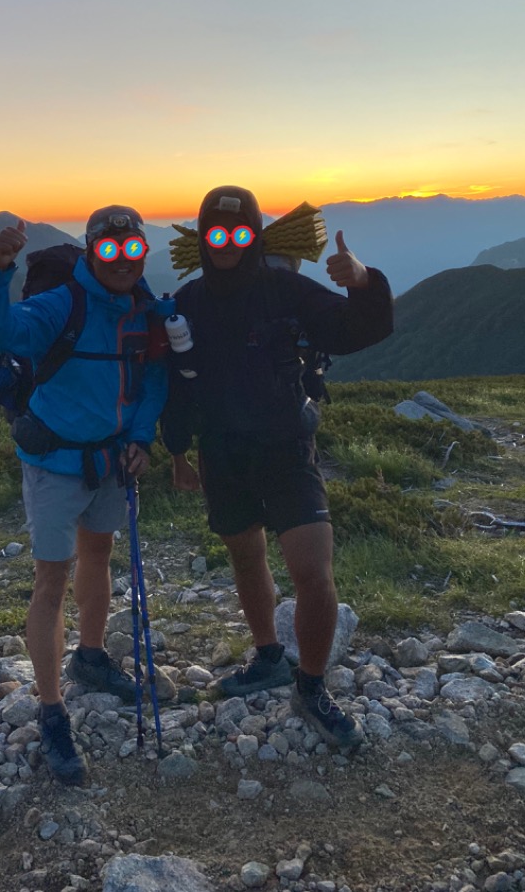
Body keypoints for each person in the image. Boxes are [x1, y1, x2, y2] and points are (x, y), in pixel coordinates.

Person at [161, 186, 393, 749]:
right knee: (246, 557)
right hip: (222, 450)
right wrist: (177, 451)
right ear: (202, 237)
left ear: (256, 237)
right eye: (215, 233)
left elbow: (358, 328)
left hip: (286, 446)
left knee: (313, 571)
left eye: (239, 234)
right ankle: (268, 656)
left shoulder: (285, 290)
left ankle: (311, 687)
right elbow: (177, 381)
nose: (226, 244)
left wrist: (365, 282)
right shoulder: (188, 302)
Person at [0, 206, 167, 784]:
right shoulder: (62, 306)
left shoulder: (142, 312)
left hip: (110, 460)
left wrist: (141, 439)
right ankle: (52, 709)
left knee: (99, 555)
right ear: (90, 253)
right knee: (52, 578)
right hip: (54, 464)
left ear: (142, 254)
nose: (122, 262)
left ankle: (91, 656)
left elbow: (149, 384)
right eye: (109, 251)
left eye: (132, 251)